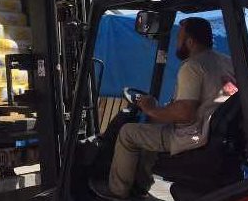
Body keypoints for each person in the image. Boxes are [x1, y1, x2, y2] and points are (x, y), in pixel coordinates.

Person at [90, 17, 237, 200]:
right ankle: (140, 185)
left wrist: (151, 109)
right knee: (151, 129)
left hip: (191, 137)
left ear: (190, 42)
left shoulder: (193, 67)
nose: (177, 43)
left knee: (128, 132)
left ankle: (117, 191)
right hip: (212, 134)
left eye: (179, 39)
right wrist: (158, 112)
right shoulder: (227, 62)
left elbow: (185, 112)